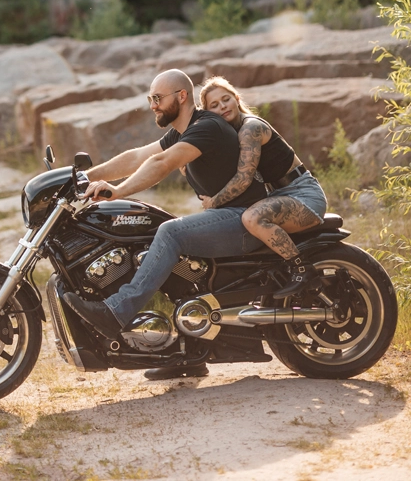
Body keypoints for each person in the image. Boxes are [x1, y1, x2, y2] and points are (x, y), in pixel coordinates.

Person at [63, 68, 267, 381]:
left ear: (181, 97)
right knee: (151, 239)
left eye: (158, 98)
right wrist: (82, 178)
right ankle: (184, 351)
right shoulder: (182, 130)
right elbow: (137, 157)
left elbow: (161, 164)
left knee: (170, 231)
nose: (153, 105)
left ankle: (116, 312)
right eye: (150, 99)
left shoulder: (207, 126)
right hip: (226, 216)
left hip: (242, 217)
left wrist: (117, 191)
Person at [199, 75, 328, 298]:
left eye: (226, 99)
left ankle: (302, 269)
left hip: (303, 195)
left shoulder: (251, 128)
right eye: (214, 105)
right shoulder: (230, 135)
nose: (222, 106)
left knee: (252, 218)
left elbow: (243, 179)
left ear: (236, 98)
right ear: (209, 113)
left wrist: (213, 202)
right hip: (278, 195)